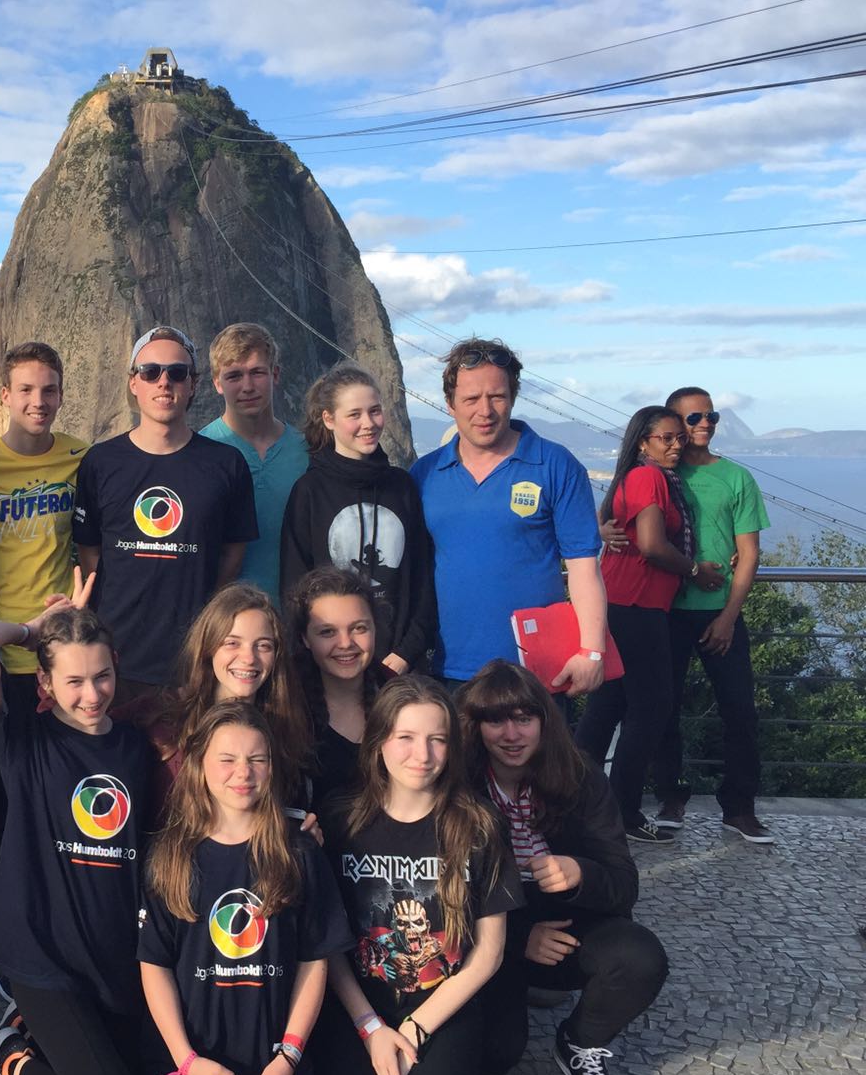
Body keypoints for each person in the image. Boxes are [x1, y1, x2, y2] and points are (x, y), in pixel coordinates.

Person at [0, 571, 155, 1075]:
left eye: (101, 677)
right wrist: (35, 629)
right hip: (41, 957)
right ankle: (17, 1065)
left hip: (110, 955)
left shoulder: (135, 747)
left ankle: (25, 1044)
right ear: (44, 682)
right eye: (72, 681)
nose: (91, 694)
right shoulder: (24, 740)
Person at [315, 675, 522, 1075]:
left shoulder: (477, 823)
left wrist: (415, 1032)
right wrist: (370, 1027)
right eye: (405, 737)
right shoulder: (342, 818)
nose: (421, 754)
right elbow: (328, 941)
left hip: (442, 1013)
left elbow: (487, 953)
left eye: (437, 739)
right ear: (379, 741)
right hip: (359, 1009)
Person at [139, 702, 354, 1075]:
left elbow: (313, 960)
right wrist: (187, 1062)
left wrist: (290, 1056)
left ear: (273, 766)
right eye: (227, 759)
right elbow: (154, 967)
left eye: (257, 759)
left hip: (276, 1060)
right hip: (191, 1065)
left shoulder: (297, 851)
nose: (243, 773)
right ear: (199, 765)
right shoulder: (170, 855)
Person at [458, 661, 669, 1075]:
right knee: (496, 1057)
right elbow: (440, 898)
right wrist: (517, 941)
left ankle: (581, 1041)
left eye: (524, 718)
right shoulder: (458, 786)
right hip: (490, 930)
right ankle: (518, 991)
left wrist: (581, 872)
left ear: (543, 722)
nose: (511, 734)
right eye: (496, 720)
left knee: (639, 958)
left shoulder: (581, 775)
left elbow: (623, 884)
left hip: (570, 921)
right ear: (475, 727)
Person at [410, 339, 607, 692]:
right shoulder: (424, 473)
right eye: (471, 399)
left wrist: (592, 651)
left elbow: (583, 568)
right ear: (450, 405)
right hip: (448, 667)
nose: (484, 411)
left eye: (496, 397)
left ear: (513, 398)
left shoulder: (555, 465)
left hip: (537, 670)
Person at [74, 325, 257, 696]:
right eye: (150, 372)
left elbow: (233, 551)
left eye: (176, 373)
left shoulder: (226, 464)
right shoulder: (100, 462)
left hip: (195, 664)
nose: (163, 382)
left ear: (192, 384)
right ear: (133, 383)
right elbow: (90, 550)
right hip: (114, 663)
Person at [0, 342, 86, 893]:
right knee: (3, 803)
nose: (39, 401)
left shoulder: (83, 458)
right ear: (4, 396)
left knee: (60, 798)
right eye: (27, 390)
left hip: (61, 657)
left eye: (50, 389)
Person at [576, 405, 714, 844]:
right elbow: (653, 546)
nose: (677, 445)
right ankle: (624, 813)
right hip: (637, 605)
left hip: (619, 604)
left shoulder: (631, 476)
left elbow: (609, 524)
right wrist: (696, 571)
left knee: (607, 709)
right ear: (643, 442)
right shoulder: (649, 477)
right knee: (650, 709)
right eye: (667, 439)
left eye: (679, 437)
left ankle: (577, 805)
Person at [650, 387, 773, 843]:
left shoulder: (736, 478)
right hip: (664, 611)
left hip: (719, 612)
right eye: (694, 416)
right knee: (664, 708)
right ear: (673, 424)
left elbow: (750, 553)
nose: (704, 423)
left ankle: (739, 808)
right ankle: (670, 797)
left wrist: (727, 617)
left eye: (712, 416)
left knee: (740, 711)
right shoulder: (657, 475)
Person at [281, 364, 435, 674]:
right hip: (333, 665)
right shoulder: (309, 491)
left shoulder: (401, 486)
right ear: (329, 419)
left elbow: (422, 578)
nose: (368, 423)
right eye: (354, 415)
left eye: (375, 411)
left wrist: (405, 653)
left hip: (400, 667)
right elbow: (295, 588)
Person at [118, 581, 312, 825]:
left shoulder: (287, 731)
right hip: (165, 861)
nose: (248, 658)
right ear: (208, 647)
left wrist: (301, 837)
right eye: (232, 643)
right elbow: (79, 728)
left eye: (263, 646)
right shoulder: (158, 713)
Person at [198, 323, 308, 606]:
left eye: (257, 372)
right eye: (234, 375)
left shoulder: (308, 451)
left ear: (275, 374)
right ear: (217, 384)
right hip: (226, 623)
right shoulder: (198, 453)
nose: (247, 386)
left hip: (299, 619)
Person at [288, 566, 382, 817]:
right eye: (327, 632)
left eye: (359, 628)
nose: (345, 643)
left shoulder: (404, 702)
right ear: (305, 639)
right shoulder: (282, 711)